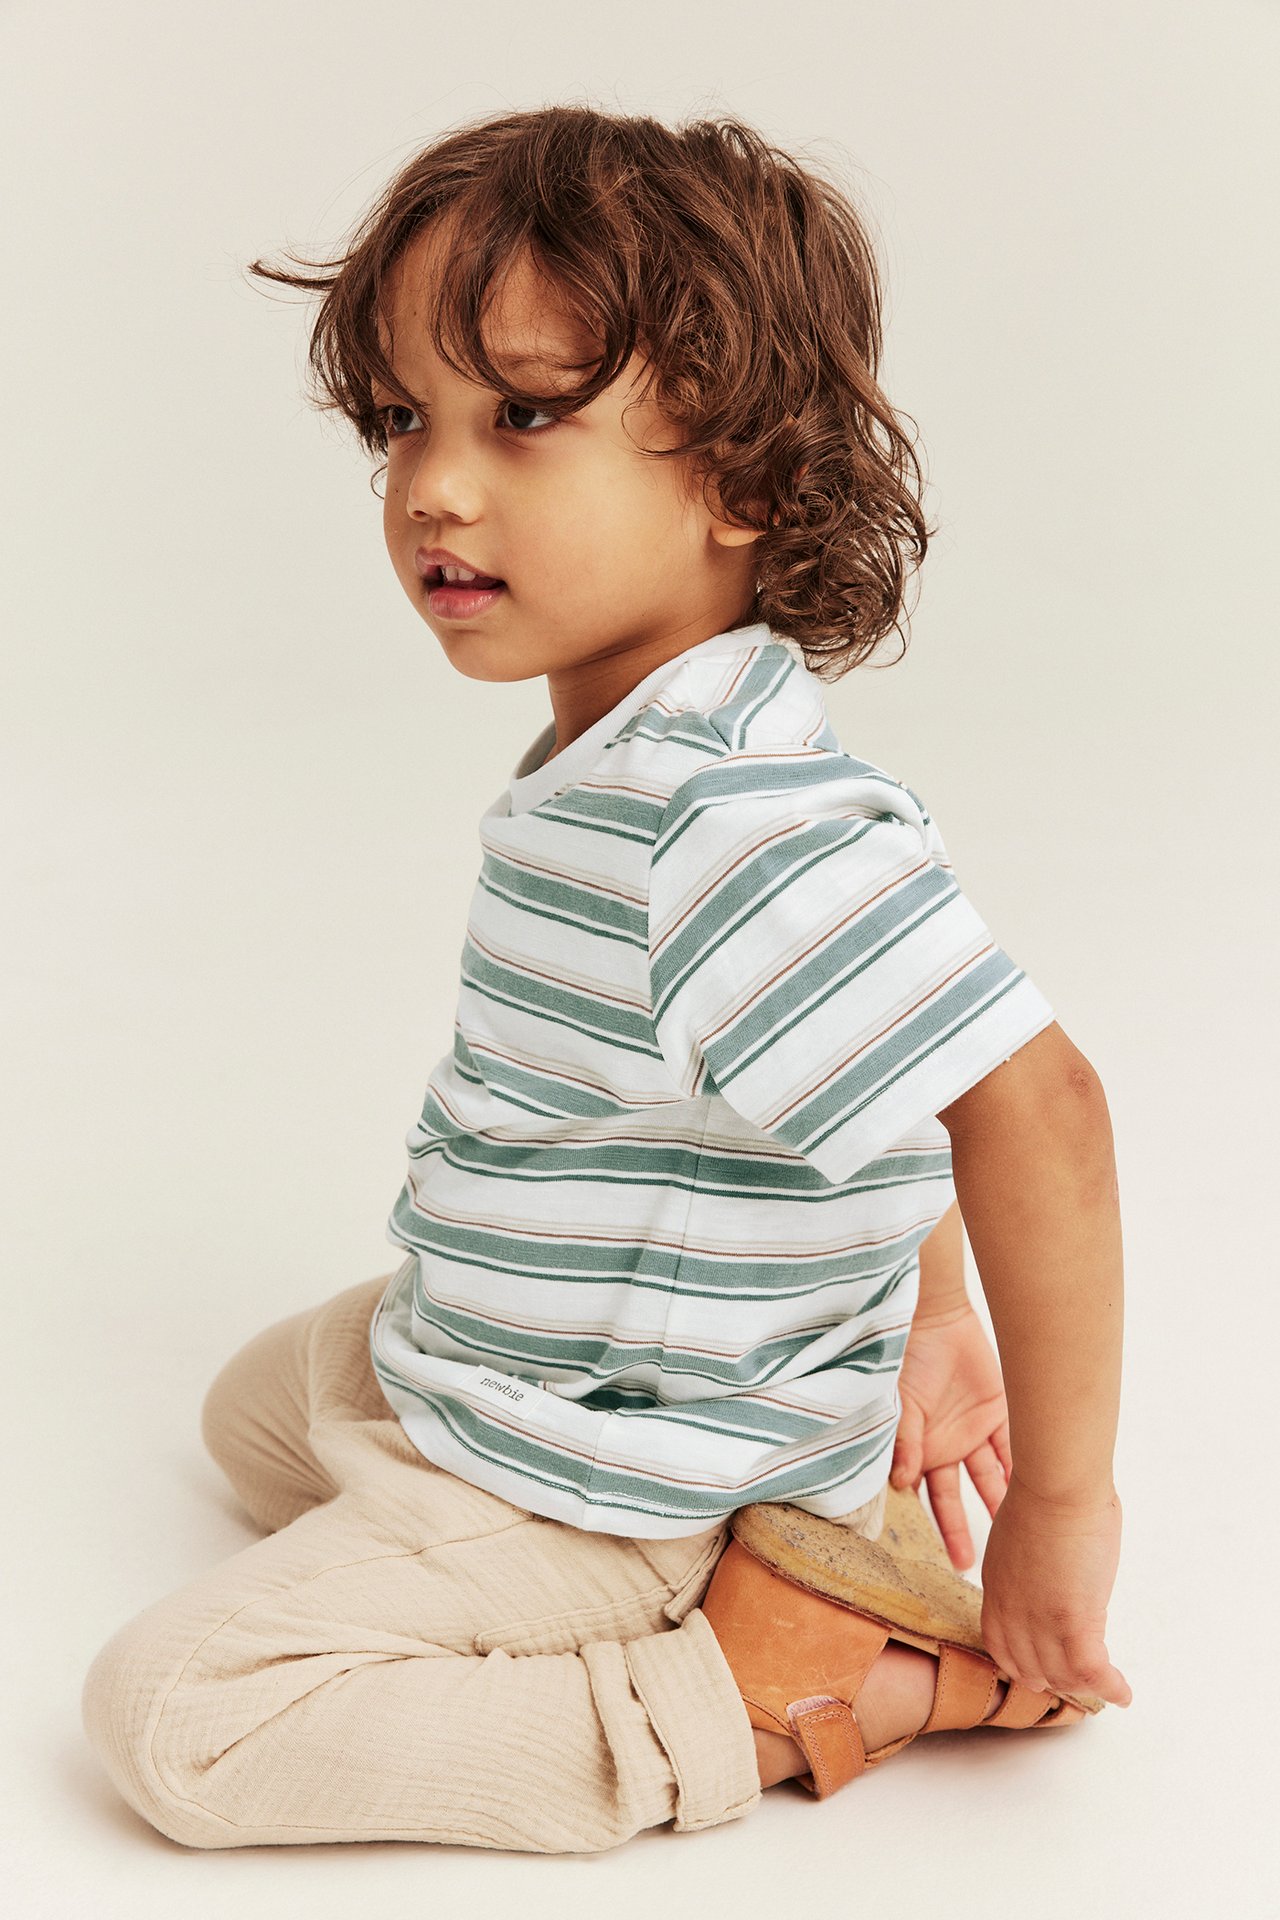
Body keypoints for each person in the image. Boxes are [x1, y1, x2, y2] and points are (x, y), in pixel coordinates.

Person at [80, 104, 1130, 1851]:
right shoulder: (646, 740)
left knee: (174, 1723)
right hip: (515, 1362)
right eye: (406, 418)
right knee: (249, 1416)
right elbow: (857, 1070)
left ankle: (764, 1683)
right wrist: (922, 1322)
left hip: (614, 1465)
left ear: (744, 481)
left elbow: (1038, 1103)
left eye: (528, 416)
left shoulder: (725, 822)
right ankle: (691, 1523)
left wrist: (1056, 1516)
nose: (436, 480)